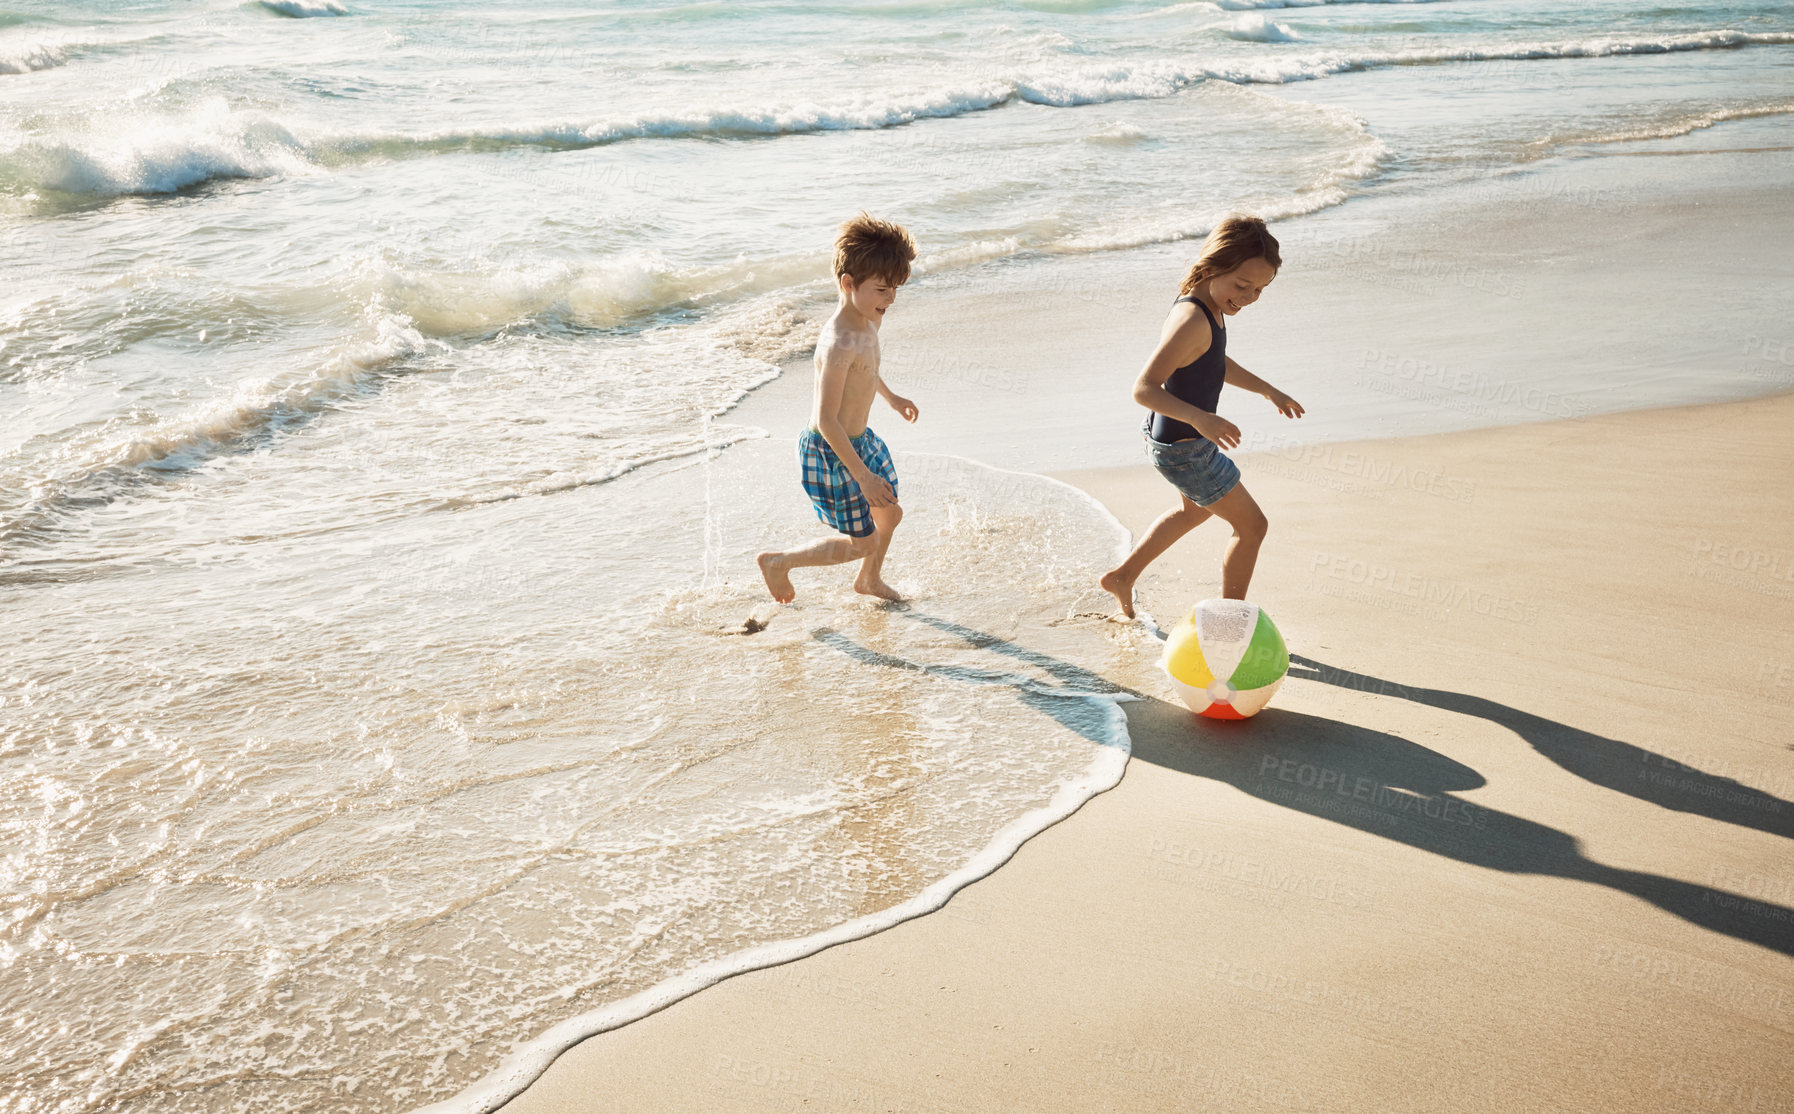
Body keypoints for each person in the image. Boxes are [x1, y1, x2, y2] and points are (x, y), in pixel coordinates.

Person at [1101, 214, 1304, 618]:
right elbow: (1143, 389)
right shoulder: (1193, 319)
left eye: (1259, 290)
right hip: (1186, 449)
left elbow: (1213, 362)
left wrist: (1268, 389)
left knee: (1192, 512)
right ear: (1213, 268)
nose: (1247, 297)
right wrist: (1201, 419)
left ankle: (1122, 577)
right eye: (1242, 285)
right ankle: (1230, 622)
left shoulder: (1208, 300)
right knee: (1252, 527)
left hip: (1174, 439)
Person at [758, 213, 919, 604]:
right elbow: (826, 420)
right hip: (831, 450)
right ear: (849, 284)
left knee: (890, 515)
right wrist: (863, 477)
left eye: (895, 288)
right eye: (882, 289)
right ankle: (779, 562)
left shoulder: (868, 321)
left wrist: (891, 397)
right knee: (862, 541)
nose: (891, 299)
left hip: (860, 442)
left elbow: (866, 372)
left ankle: (869, 580)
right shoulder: (838, 343)